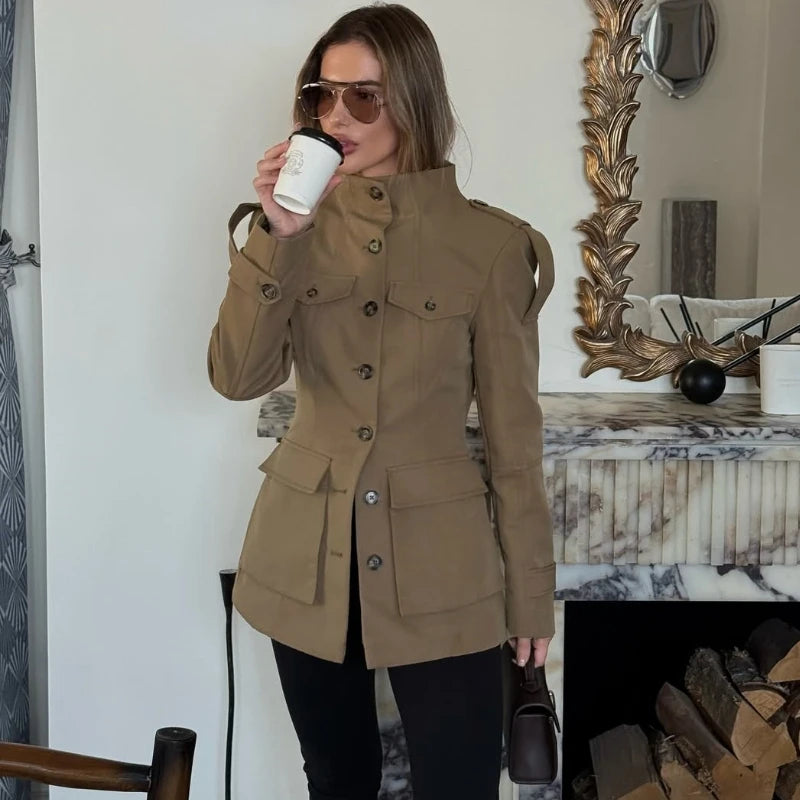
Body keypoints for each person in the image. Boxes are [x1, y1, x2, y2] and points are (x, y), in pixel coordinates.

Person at [207, 4, 556, 799]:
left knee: (460, 784)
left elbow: (514, 443)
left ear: (415, 100)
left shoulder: (494, 246)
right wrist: (279, 235)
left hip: (444, 565)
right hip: (306, 558)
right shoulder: (283, 232)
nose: (336, 117)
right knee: (336, 779)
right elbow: (236, 376)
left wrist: (532, 594)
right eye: (320, 98)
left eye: (362, 98)